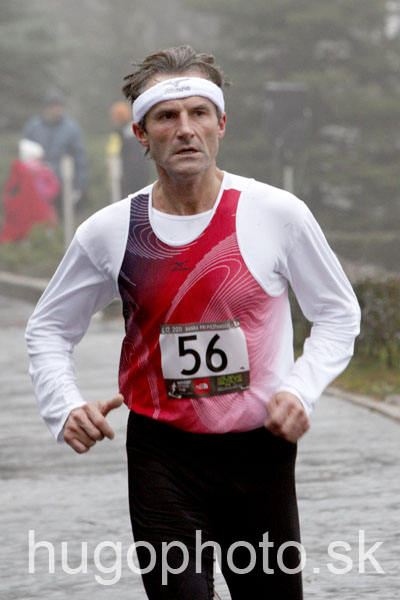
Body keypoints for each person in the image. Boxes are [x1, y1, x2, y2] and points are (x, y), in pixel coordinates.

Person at [25, 45, 361, 599]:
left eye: (199, 113)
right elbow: (48, 328)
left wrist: (301, 389)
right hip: (162, 456)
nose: (185, 129)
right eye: (166, 116)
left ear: (220, 124)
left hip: (260, 452)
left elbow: (337, 313)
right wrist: (63, 406)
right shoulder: (111, 231)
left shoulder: (277, 214)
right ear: (141, 133)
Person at [21, 90, 87, 216]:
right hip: (37, 185)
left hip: (63, 185)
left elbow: (80, 159)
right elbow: (24, 155)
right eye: (52, 106)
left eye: (57, 106)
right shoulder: (33, 127)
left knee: (62, 218)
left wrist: (79, 187)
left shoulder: (71, 129)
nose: (55, 110)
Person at [0, 139, 59, 244]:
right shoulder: (39, 170)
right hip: (39, 211)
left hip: (28, 214)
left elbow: (12, 193)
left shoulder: (21, 170)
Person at [106, 101, 149, 201]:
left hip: (127, 175)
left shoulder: (121, 133)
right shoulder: (134, 130)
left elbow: (114, 153)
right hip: (138, 173)